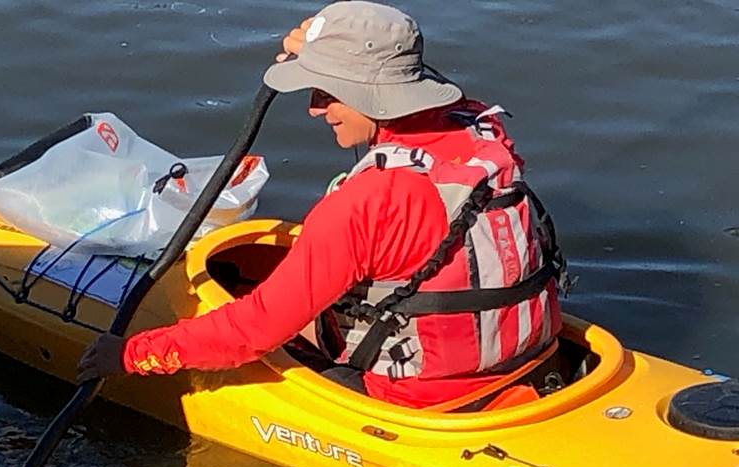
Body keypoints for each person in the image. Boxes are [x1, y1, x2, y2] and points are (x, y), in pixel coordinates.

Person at [78, 0, 567, 408]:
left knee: (249, 312)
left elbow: (252, 331)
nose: (314, 107)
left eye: (330, 93)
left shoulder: (364, 204)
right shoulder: (480, 127)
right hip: (527, 358)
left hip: (419, 399)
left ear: (374, 97)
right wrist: (316, 49)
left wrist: (131, 355)